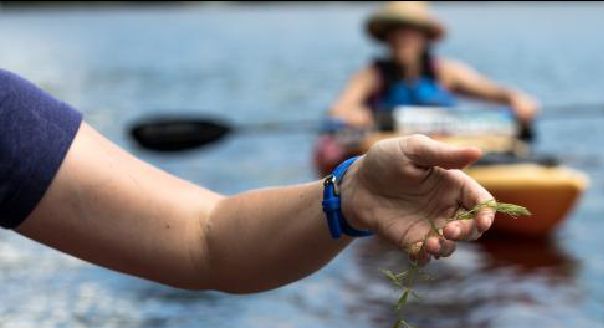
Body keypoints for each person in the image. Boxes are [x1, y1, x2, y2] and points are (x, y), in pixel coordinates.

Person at [0, 69, 498, 293]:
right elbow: (343, 108)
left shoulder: (8, 117)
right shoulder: (373, 74)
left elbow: (207, 237)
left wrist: (349, 194)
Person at [329, 1, 539, 129]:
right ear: (387, 38)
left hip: (445, 146)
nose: (404, 39)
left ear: (425, 38)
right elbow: (339, 110)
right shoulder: (372, 75)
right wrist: (357, 115)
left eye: (411, 32)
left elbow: (493, 92)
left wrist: (516, 98)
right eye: (397, 32)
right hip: (391, 155)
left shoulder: (446, 72)